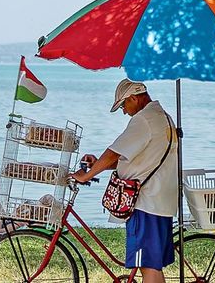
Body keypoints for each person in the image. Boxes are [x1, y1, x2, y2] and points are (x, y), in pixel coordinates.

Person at [71, 79, 178, 283]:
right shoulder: (163, 117)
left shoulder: (143, 120)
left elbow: (113, 153)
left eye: (123, 105)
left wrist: (86, 175)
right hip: (162, 200)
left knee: (148, 266)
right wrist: (97, 165)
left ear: (134, 98)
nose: (123, 111)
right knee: (153, 265)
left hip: (146, 203)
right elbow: (137, 157)